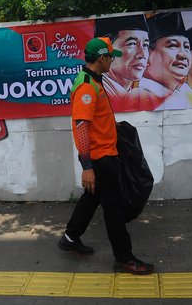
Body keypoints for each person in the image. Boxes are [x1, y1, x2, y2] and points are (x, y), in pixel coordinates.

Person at [58, 37, 154, 275]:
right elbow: (81, 126)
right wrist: (87, 166)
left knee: (91, 198)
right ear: (102, 58)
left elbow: (94, 121)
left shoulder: (94, 81)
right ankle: (124, 259)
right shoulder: (87, 87)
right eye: (111, 56)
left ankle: (70, 238)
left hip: (105, 154)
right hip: (101, 159)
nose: (113, 60)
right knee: (115, 209)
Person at [94, 15, 162, 111]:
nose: (142, 54)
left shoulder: (139, 95)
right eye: (132, 44)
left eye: (146, 45)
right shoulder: (95, 91)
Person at [140, 12, 192, 109]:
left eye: (186, 47)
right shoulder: (141, 96)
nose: (183, 54)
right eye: (172, 45)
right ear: (147, 54)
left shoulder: (185, 95)